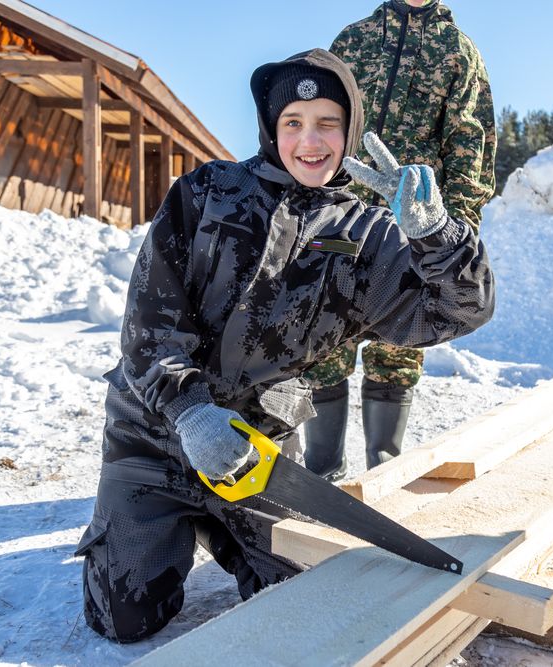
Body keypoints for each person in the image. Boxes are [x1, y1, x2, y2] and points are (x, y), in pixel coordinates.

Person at [75, 48, 495, 643]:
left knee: (307, 605)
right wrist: (190, 411)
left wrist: (437, 236)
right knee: (125, 619)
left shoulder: (368, 234)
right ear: (272, 129)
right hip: (158, 436)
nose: (310, 140)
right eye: (293, 122)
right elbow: (150, 327)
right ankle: (155, 518)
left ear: (350, 131)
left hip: (259, 455)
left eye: (328, 122)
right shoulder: (205, 194)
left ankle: (222, 524)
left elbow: (462, 309)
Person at [302, 0, 497, 480]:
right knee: (322, 344)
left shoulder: (458, 52)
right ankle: (321, 476)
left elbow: (470, 147)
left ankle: (380, 475)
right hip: (340, 225)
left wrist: (447, 236)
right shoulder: (354, 40)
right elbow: (317, 124)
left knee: (396, 354)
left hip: (407, 232)